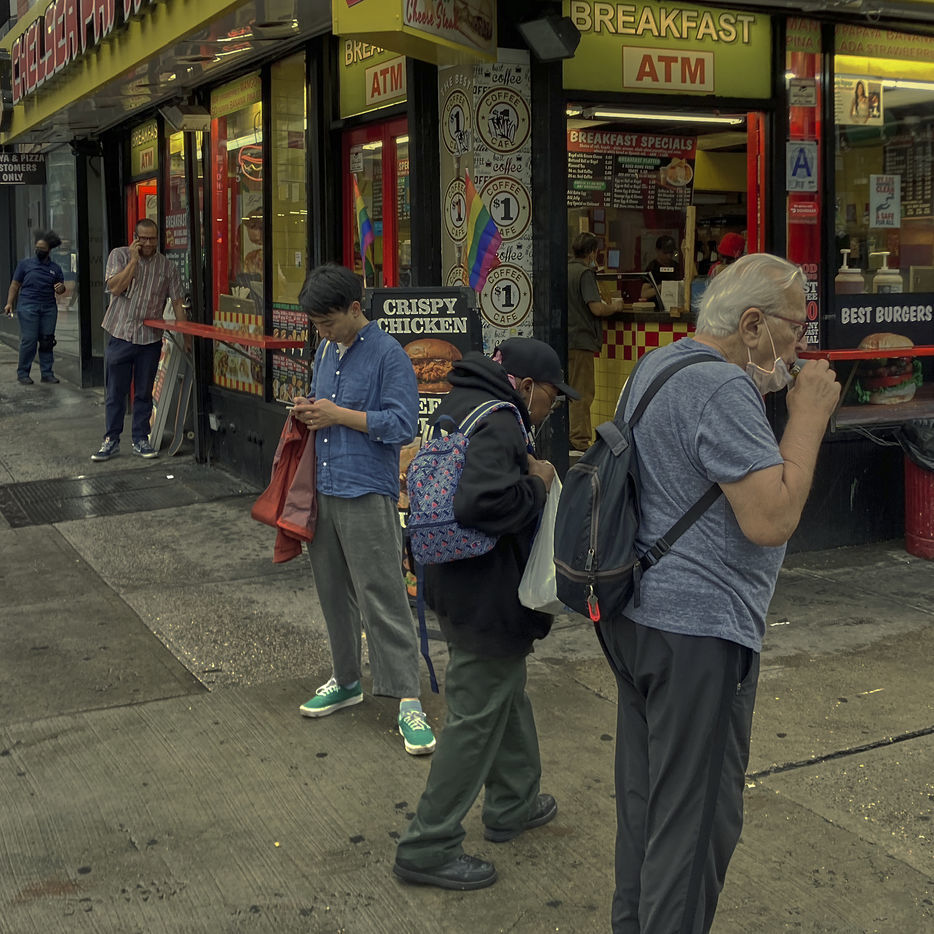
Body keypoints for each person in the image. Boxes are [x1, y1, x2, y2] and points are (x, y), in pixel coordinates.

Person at [599, 253, 840, 933]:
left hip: (638, 614)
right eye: (796, 328)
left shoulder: (658, 364)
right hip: (697, 634)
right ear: (753, 324)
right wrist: (809, 415)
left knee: (648, 807)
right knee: (696, 827)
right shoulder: (722, 387)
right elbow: (771, 518)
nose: (800, 348)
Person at [393, 338, 580, 892]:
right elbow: (481, 504)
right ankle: (427, 845)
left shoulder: (461, 402)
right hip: (486, 594)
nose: (551, 408)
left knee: (505, 691)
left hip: (457, 583)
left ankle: (513, 802)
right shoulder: (501, 422)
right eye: (551, 397)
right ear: (527, 386)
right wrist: (538, 483)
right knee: (475, 716)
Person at [289, 263, 435, 757]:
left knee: (383, 595)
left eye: (327, 322)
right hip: (324, 485)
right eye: (316, 325)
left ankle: (408, 698)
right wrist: (310, 410)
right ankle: (347, 679)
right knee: (333, 591)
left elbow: (403, 426)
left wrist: (338, 415)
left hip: (367, 489)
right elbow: (327, 410)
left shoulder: (389, 354)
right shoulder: (326, 350)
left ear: (355, 308)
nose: (322, 333)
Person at [91, 218, 185, 461]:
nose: (148, 243)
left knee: (144, 392)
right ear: (135, 238)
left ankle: (141, 439)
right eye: (143, 239)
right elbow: (115, 288)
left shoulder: (167, 267)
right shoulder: (119, 256)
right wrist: (133, 261)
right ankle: (111, 439)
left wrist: (186, 337)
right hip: (121, 334)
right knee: (116, 392)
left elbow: (177, 302)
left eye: (152, 239)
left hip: (149, 339)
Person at [568, 232, 625, 451]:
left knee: (569, 389)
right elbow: (597, 308)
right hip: (581, 340)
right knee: (582, 392)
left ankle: (570, 435)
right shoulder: (585, 274)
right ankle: (579, 440)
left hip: (565, 339)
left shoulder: (566, 270)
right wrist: (615, 307)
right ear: (592, 252)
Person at [5, 230, 66, 385]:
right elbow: (15, 285)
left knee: (47, 341)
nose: (39, 250)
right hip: (28, 306)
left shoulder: (55, 268)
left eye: (42, 248)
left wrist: (61, 289)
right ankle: (23, 372)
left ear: (49, 250)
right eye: (37, 247)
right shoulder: (24, 265)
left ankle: (47, 373)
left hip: (48, 308)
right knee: (29, 340)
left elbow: (61, 288)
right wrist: (9, 303)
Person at [640, 234, 680, 310]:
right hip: (656, 309)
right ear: (657, 250)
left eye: (671, 253)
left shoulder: (676, 266)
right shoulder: (652, 268)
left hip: (675, 308)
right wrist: (662, 287)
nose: (669, 256)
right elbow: (644, 293)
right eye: (665, 253)